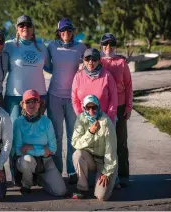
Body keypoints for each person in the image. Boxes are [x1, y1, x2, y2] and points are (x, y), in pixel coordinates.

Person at [0, 15, 50, 123]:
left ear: (33, 28)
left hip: (38, 96)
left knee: (35, 131)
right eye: (21, 25)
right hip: (15, 96)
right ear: (17, 28)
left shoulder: (42, 47)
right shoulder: (8, 45)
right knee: (14, 129)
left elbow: (51, 68)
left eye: (28, 25)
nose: (25, 27)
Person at [46, 18, 87, 182]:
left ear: (72, 31)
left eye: (69, 30)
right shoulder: (51, 46)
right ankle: (56, 171)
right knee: (56, 136)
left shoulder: (81, 47)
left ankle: (71, 171)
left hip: (73, 99)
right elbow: (46, 65)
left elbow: (94, 60)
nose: (66, 34)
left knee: (73, 135)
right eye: (63, 31)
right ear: (58, 32)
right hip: (54, 97)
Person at [13, 89, 66, 196]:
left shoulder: (46, 121)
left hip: (46, 161)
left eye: (34, 101)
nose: (32, 104)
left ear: (39, 104)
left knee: (61, 192)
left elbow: (53, 149)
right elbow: (18, 150)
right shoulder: (18, 122)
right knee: (26, 160)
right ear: (23, 105)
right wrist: (42, 150)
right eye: (28, 102)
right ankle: (27, 183)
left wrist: (31, 147)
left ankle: (41, 179)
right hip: (28, 161)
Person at [99, 33, 133, 187]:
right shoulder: (97, 61)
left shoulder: (121, 62)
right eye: (105, 44)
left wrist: (128, 106)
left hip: (119, 106)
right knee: (102, 143)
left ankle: (123, 175)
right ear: (101, 46)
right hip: (102, 107)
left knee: (120, 142)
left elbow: (129, 85)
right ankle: (103, 174)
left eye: (111, 44)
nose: (108, 47)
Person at [71, 95, 118, 200]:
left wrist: (107, 172)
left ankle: (111, 179)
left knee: (102, 197)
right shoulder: (81, 118)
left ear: (99, 107)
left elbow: (111, 150)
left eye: (94, 107)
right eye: (88, 108)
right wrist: (90, 132)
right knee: (77, 155)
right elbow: (75, 143)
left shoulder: (106, 122)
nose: (91, 111)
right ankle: (82, 189)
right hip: (90, 158)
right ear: (84, 108)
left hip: (104, 161)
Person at [72, 48, 118, 123]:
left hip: (104, 120)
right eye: (87, 59)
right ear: (83, 60)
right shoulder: (78, 76)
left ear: (99, 60)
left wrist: (108, 119)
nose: (90, 62)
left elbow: (114, 99)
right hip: (85, 121)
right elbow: (74, 100)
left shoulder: (107, 75)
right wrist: (82, 118)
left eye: (94, 59)